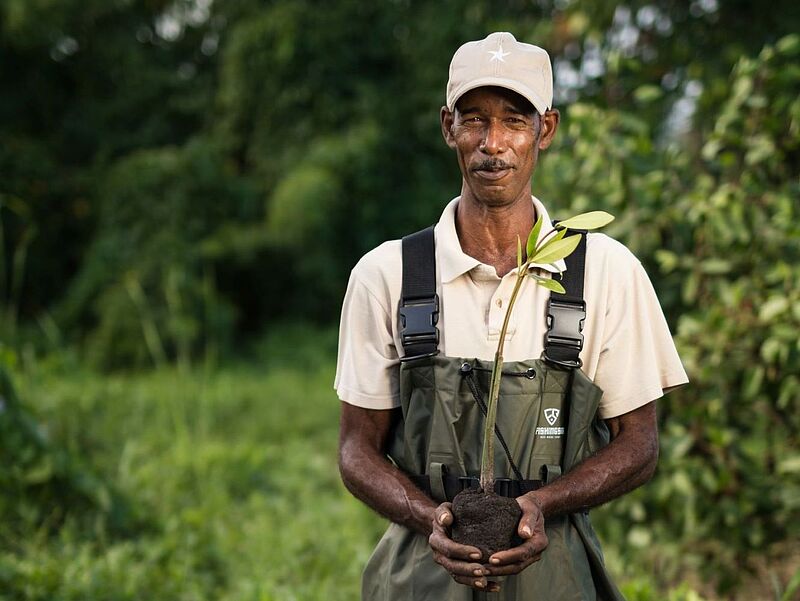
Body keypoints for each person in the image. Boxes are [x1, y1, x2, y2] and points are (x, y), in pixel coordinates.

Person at [335, 31, 688, 600]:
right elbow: (356, 449)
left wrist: (542, 504)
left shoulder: (604, 271)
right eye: (474, 120)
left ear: (544, 130)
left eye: (514, 122)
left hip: (557, 579)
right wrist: (431, 519)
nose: (492, 144)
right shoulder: (387, 275)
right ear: (448, 126)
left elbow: (639, 444)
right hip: (421, 579)